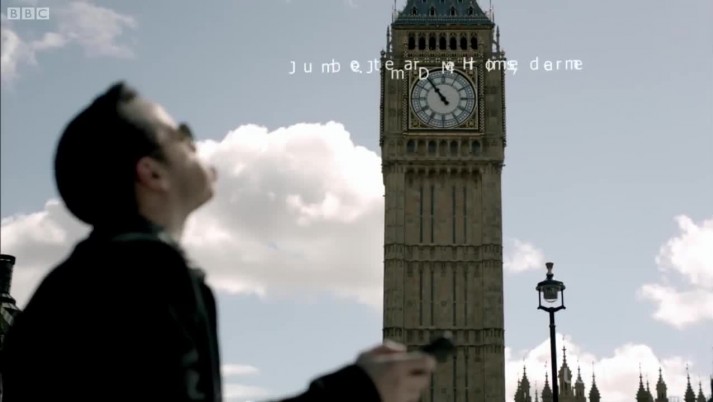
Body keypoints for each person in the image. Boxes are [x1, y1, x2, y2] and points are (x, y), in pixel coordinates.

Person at [0, 82, 436, 402]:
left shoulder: (89, 276)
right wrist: (357, 391)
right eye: (182, 135)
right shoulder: (143, 272)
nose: (196, 142)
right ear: (152, 173)